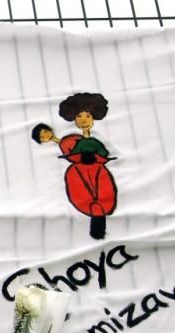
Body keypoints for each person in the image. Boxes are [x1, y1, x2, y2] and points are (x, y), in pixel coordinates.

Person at [32, 92, 117, 240]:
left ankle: (99, 224)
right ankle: (97, 226)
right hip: (80, 168)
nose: (83, 120)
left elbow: (102, 151)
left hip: (94, 166)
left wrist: (94, 156)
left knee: (101, 189)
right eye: (42, 137)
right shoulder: (68, 152)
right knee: (84, 191)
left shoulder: (81, 140)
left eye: (87, 116)